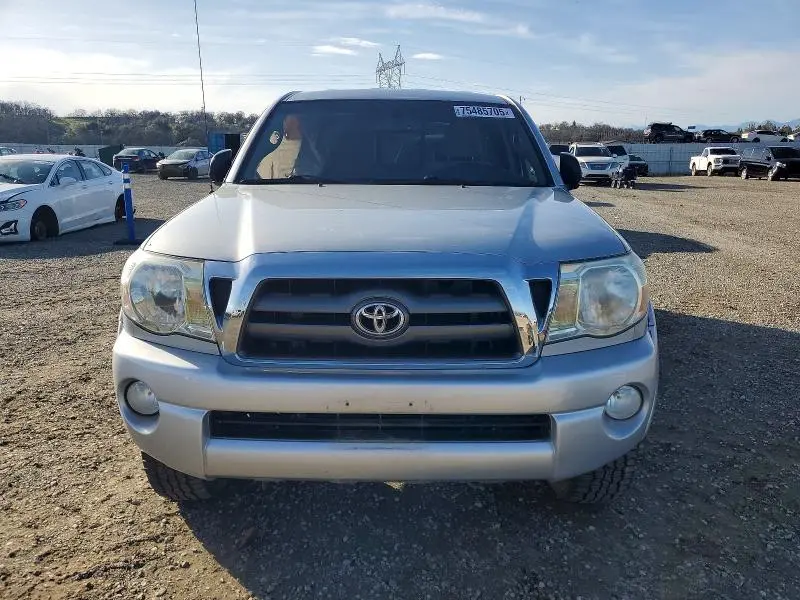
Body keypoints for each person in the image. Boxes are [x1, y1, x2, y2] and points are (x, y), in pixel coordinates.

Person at [256, 114, 320, 180]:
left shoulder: (313, 149)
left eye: (294, 122)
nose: (290, 124)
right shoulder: (272, 145)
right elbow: (261, 177)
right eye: (289, 121)